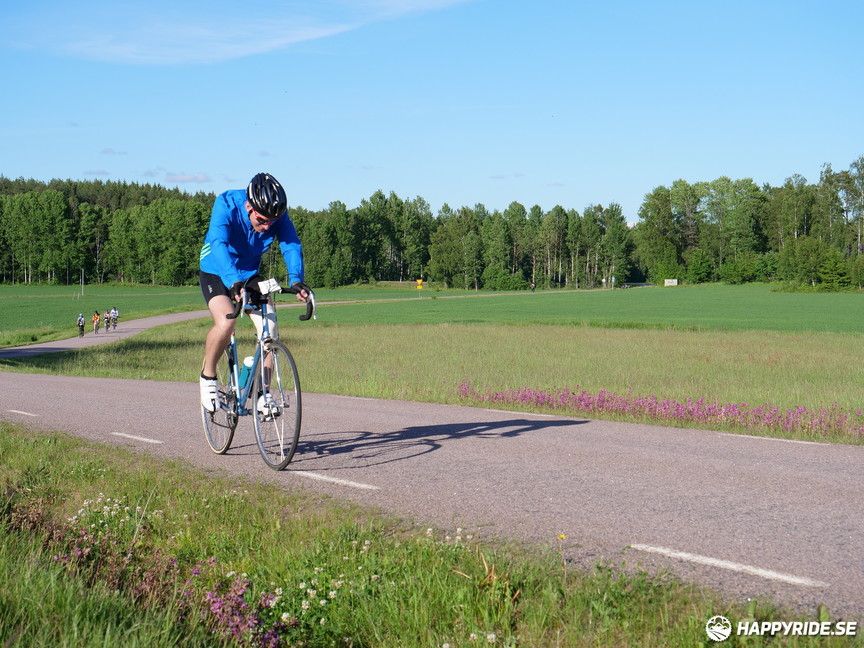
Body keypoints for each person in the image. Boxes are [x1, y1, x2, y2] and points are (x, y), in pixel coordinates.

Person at [198, 172, 310, 413]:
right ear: (249, 206)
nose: (267, 227)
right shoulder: (226, 204)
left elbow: (290, 243)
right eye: (262, 220)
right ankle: (208, 376)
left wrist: (297, 280)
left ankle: (263, 393)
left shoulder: (275, 214)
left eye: (272, 222)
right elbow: (218, 244)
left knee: (270, 329)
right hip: (216, 269)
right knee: (226, 322)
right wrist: (232, 282)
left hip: (248, 273)